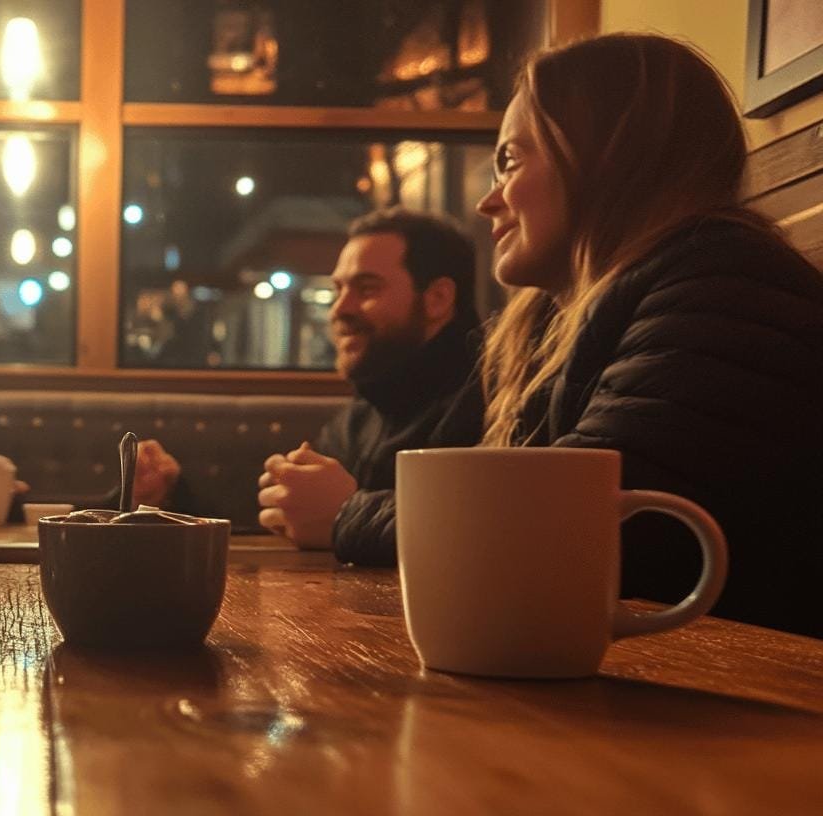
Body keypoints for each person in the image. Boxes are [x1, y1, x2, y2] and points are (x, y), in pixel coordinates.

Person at [470, 34, 823, 636]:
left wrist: (347, 513)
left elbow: (574, 531)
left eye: (510, 161)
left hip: (754, 706)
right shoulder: (558, 320)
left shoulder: (723, 281)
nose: (487, 201)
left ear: (606, 157)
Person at [136, 209, 484, 550]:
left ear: (437, 299)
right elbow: (301, 519)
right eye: (338, 289)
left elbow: (480, 531)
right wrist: (173, 496)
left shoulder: (486, 396)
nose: (339, 309)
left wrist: (347, 514)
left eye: (366, 288)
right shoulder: (365, 412)